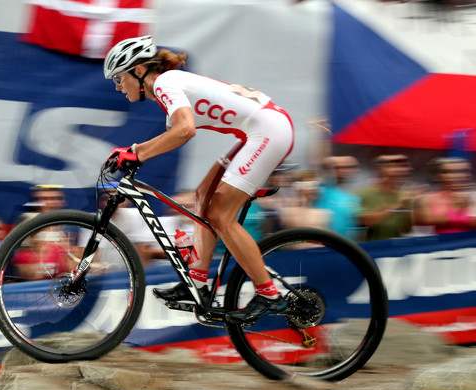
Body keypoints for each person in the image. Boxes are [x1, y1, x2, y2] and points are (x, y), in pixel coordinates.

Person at [103, 36, 294, 324]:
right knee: (202, 196)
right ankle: (199, 283)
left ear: (139, 70)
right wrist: (132, 152)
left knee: (220, 214)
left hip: (268, 131)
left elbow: (185, 130)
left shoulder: (167, 83)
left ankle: (270, 294)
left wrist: (136, 154)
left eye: (119, 78)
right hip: (256, 131)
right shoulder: (168, 90)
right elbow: (172, 136)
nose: (118, 86)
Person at [358, 154, 422, 241]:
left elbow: (406, 230)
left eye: (403, 166)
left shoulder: (403, 195)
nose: (400, 170)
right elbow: (365, 222)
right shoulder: (364, 193)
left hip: (394, 248)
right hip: (371, 249)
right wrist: (397, 206)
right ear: (379, 169)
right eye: (393, 166)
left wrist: (415, 205)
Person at [413, 157, 476, 234]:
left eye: (463, 171)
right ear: (436, 176)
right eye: (449, 172)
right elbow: (422, 220)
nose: (458, 176)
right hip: (440, 244)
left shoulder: (474, 196)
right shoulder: (425, 198)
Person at [315, 156, 362, 240]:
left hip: (349, 246)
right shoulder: (321, 190)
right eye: (350, 167)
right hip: (325, 245)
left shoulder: (354, 196)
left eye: (355, 167)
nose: (356, 170)